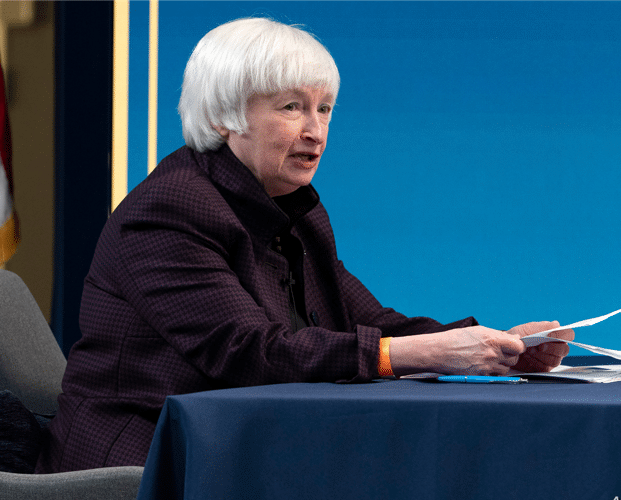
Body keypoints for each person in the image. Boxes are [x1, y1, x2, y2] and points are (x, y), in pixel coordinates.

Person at [35, 18, 573, 473]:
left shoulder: (294, 208)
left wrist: (495, 345)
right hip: (147, 460)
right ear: (224, 117)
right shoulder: (170, 210)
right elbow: (248, 352)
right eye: (292, 107)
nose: (316, 131)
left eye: (326, 109)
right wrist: (427, 355)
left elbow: (371, 322)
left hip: (244, 443)